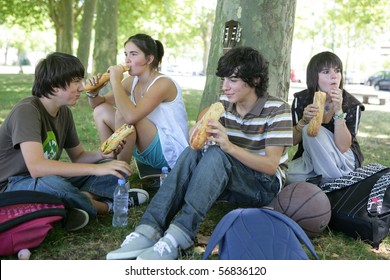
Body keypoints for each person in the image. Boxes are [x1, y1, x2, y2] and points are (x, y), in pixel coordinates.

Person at [106, 46, 293, 260]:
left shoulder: (278, 109)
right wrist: (200, 125)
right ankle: (148, 229)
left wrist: (229, 147)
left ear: (255, 80)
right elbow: (206, 119)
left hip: (263, 186)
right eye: (223, 80)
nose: (225, 87)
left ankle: (179, 236)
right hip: (231, 180)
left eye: (232, 80)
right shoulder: (225, 106)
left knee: (217, 153)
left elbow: (270, 166)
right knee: (194, 151)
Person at [0, 52, 143, 229]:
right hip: (11, 186)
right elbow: (36, 168)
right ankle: (107, 206)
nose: (82, 88)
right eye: (75, 82)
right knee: (54, 185)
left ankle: (76, 203)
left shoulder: (64, 113)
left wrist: (102, 155)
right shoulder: (27, 110)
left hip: (46, 178)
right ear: (54, 85)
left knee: (115, 169)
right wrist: (95, 170)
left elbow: (79, 156)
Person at [86, 33, 189, 170]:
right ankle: (109, 159)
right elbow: (98, 104)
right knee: (101, 111)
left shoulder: (163, 83)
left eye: (133, 54)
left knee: (123, 115)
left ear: (149, 59)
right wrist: (92, 93)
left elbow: (130, 117)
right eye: (126, 54)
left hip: (169, 152)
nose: (127, 60)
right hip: (143, 146)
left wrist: (115, 81)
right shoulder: (132, 81)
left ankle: (120, 175)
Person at [286, 51, 365, 185]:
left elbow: (344, 147)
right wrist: (303, 122)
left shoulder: (352, 104)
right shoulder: (302, 99)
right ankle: (334, 182)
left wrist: (339, 109)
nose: (334, 76)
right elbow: (291, 141)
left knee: (309, 131)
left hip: (343, 162)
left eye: (337, 71)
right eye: (326, 72)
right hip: (311, 158)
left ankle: (334, 185)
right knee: (283, 177)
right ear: (314, 76)